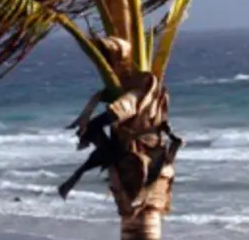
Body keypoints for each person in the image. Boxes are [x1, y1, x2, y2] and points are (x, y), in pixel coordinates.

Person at [59, 37, 183, 210]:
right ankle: (79, 174)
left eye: (111, 60)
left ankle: (84, 174)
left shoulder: (140, 88)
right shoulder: (128, 89)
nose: (109, 66)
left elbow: (117, 112)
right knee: (101, 143)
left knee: (101, 139)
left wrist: (91, 126)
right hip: (131, 149)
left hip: (144, 150)